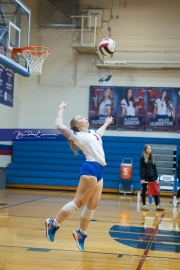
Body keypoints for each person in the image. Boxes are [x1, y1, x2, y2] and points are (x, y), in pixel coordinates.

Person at [45, 101, 113, 252]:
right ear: (78, 124)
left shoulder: (92, 133)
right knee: (78, 203)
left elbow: (99, 133)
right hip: (90, 169)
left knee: (92, 205)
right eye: (81, 117)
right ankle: (53, 224)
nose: (85, 118)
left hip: (99, 170)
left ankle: (81, 233)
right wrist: (61, 108)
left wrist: (107, 123)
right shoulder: (77, 135)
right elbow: (58, 125)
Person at [139, 144, 164, 211]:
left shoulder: (152, 158)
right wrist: (142, 178)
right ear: (145, 149)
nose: (149, 149)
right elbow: (142, 168)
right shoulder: (142, 158)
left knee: (155, 191)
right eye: (148, 148)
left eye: (150, 148)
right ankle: (144, 206)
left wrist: (156, 178)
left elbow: (154, 168)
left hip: (152, 176)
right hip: (145, 177)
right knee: (144, 190)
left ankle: (157, 206)